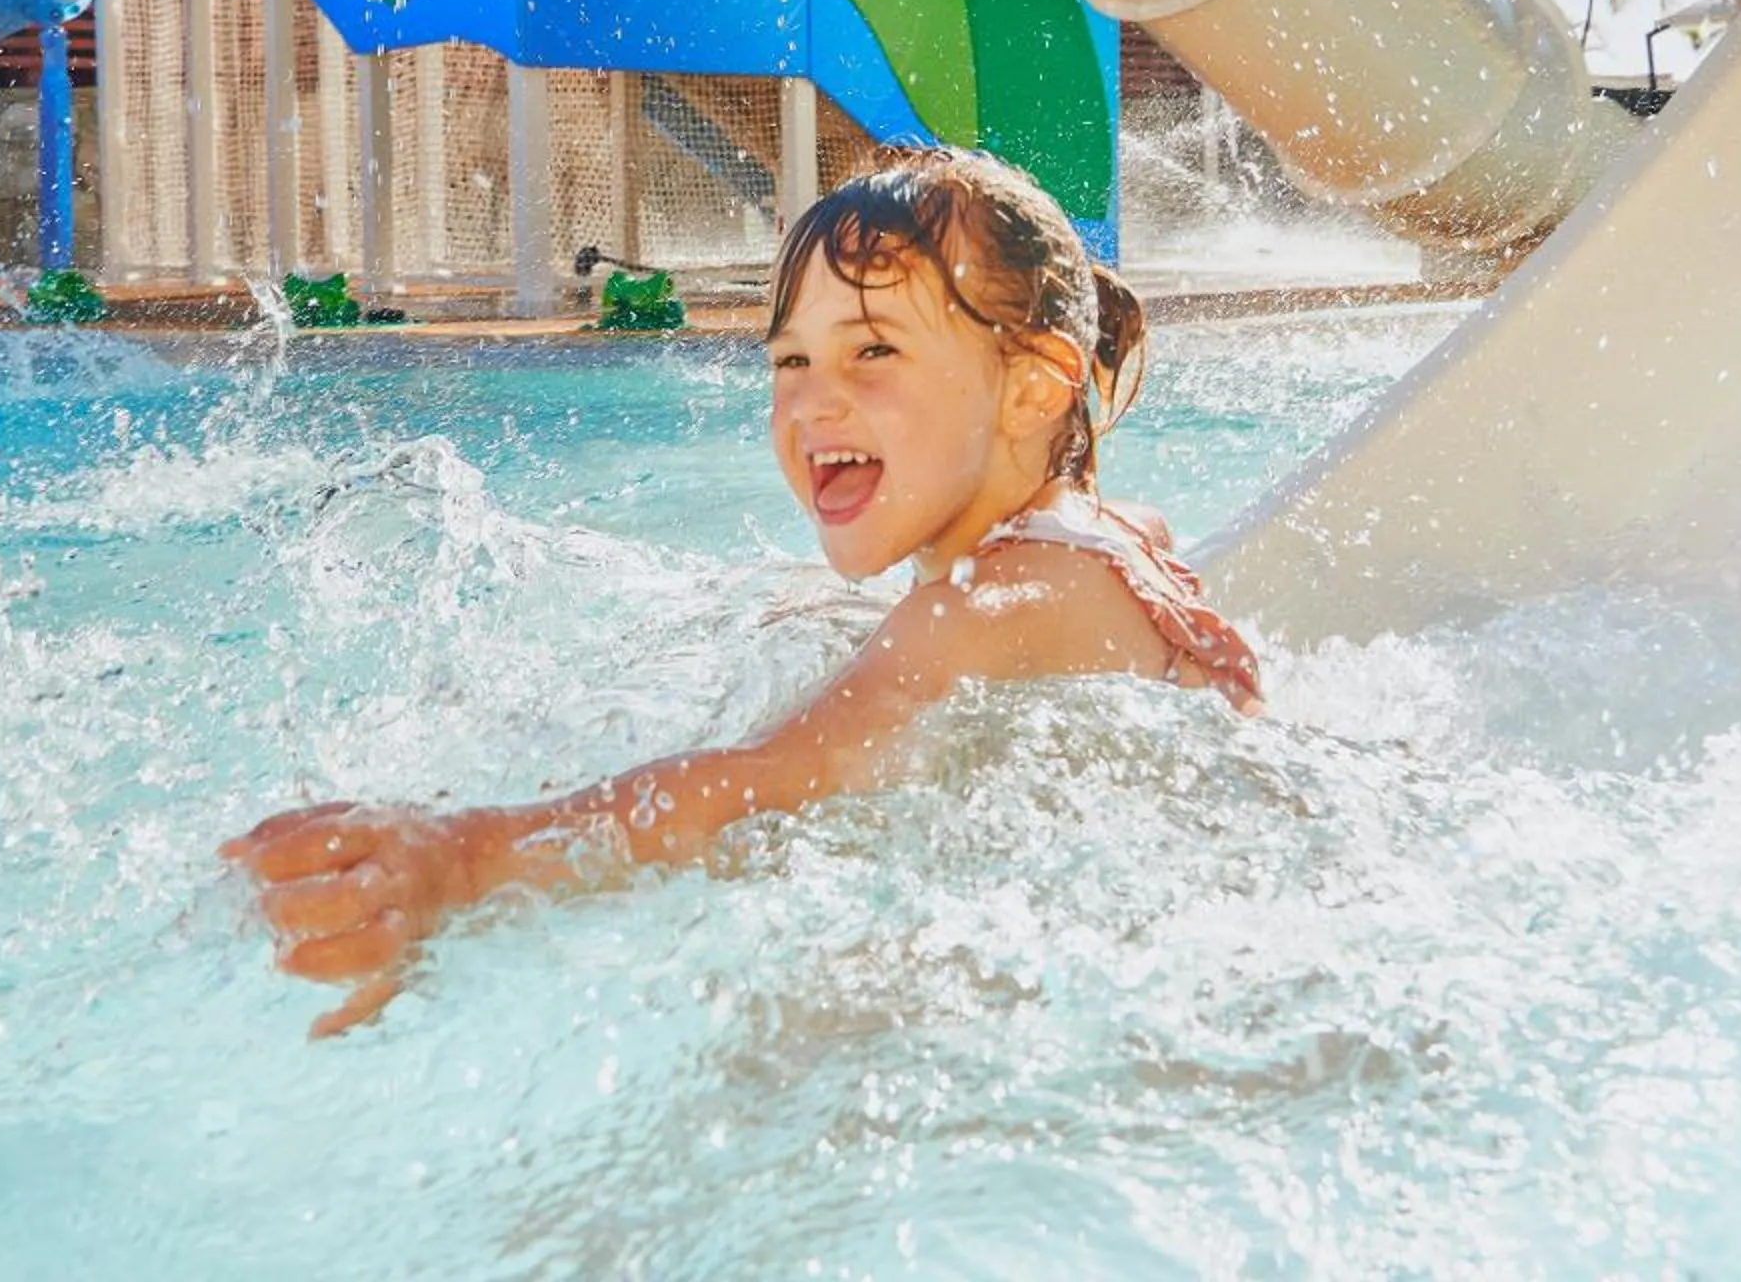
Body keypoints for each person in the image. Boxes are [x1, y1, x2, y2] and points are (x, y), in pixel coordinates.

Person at [224, 147, 1262, 1036]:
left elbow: (768, 779)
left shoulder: (974, 613)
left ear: (1036, 385)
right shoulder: (1113, 537)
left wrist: (464, 859)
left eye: (875, 350)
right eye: (791, 359)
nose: (815, 398)